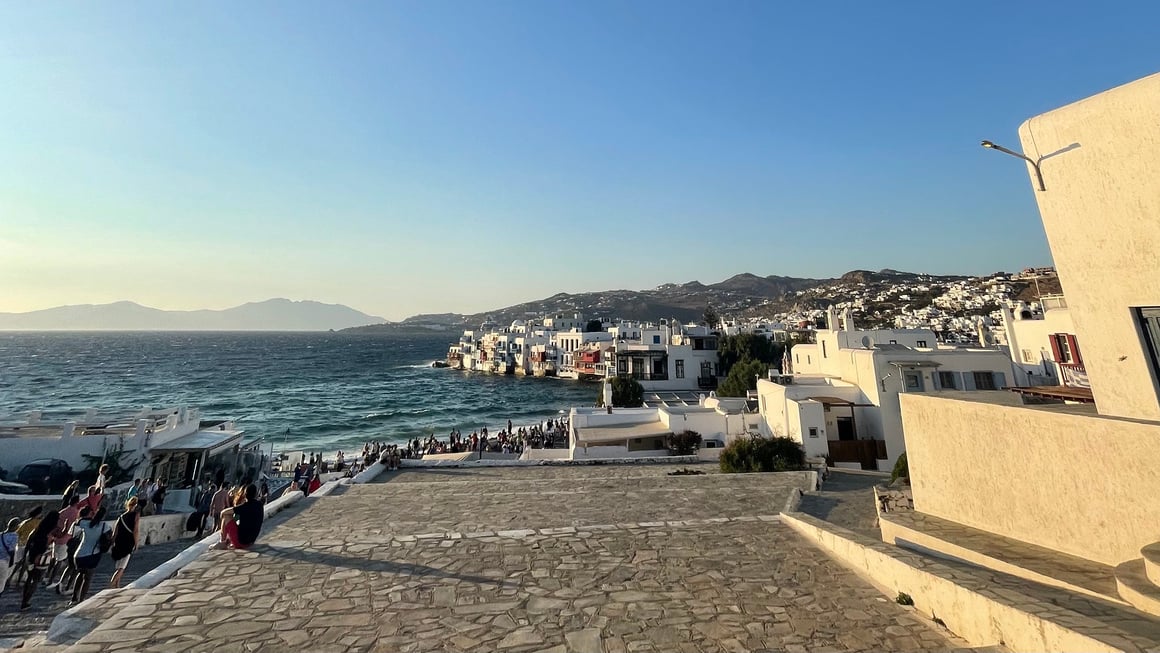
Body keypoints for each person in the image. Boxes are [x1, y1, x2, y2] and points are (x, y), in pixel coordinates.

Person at [70, 506, 109, 606]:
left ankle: (74, 597)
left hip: (79, 555)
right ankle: (81, 600)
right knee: (87, 579)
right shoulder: (105, 526)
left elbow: (75, 526)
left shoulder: (83, 523)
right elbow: (109, 539)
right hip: (92, 554)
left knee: (80, 574)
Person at [21, 510, 59, 611]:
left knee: (29, 578)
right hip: (42, 558)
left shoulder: (39, 528)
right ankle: (27, 601)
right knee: (36, 580)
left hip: (32, 555)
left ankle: (24, 599)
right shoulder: (52, 531)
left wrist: (26, 553)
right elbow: (49, 544)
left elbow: (29, 540)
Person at [214, 484, 264, 550]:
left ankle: (222, 541)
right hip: (251, 541)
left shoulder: (244, 507)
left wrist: (222, 516)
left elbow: (224, 512)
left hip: (241, 542)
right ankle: (227, 540)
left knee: (226, 516)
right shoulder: (259, 505)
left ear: (245, 494)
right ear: (256, 494)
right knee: (233, 518)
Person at [46, 495, 81, 588]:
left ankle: (47, 577)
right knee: (60, 561)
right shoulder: (75, 513)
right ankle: (51, 580)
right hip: (66, 539)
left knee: (54, 559)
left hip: (56, 538)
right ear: (77, 502)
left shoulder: (62, 511)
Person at [108, 497, 140, 588]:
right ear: (135, 505)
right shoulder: (136, 515)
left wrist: (112, 543)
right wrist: (136, 544)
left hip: (118, 543)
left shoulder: (121, 517)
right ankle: (110, 586)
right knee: (122, 568)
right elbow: (136, 530)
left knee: (119, 566)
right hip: (128, 543)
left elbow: (115, 533)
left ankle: (117, 585)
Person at [12, 506, 43, 585]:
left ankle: (11, 577)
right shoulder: (39, 523)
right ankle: (19, 580)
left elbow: (17, 533)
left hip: (20, 545)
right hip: (29, 545)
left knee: (19, 563)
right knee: (25, 564)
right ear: (38, 514)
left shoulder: (25, 522)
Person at [0, 518, 19, 596]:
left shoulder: (0, 534)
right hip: (4, 561)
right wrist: (11, 562)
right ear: (15, 527)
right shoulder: (14, 536)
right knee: (2, 580)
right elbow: (12, 550)